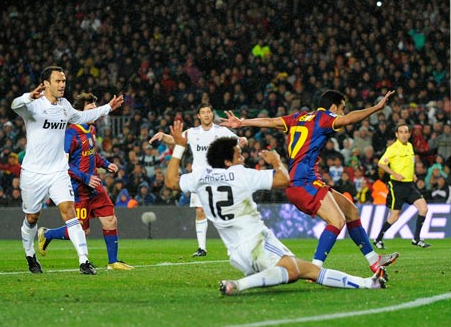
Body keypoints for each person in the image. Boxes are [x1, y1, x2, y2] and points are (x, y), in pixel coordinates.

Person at [163, 122, 388, 295]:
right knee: (294, 271)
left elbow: (171, 182)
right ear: (227, 162)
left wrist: (179, 149)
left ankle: (369, 283)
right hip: (258, 242)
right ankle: (237, 285)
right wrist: (276, 161)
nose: (242, 158)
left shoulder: (200, 177)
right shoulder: (241, 174)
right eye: (238, 155)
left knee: (308, 270)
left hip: (236, 254)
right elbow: (284, 180)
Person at [222, 90, 399, 273]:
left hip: (304, 181)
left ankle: (373, 260)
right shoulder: (323, 118)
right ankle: (315, 269)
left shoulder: (299, 117)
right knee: (337, 221)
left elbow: (271, 121)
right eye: (342, 109)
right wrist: (376, 108)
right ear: (333, 107)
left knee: (350, 211)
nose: (343, 113)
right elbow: (349, 119)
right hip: (304, 182)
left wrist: (242, 122)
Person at [11, 66, 124, 274]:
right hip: (33, 173)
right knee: (32, 218)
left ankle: (84, 261)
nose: (62, 85)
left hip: (58, 172)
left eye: (63, 81)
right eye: (57, 81)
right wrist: (28, 96)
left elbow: (82, 117)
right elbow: (14, 105)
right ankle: (30, 256)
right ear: (46, 84)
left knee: (70, 213)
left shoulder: (64, 106)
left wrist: (108, 107)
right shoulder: (33, 106)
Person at [37, 93, 133, 271]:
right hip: (78, 190)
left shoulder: (91, 130)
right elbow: (62, 164)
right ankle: (48, 234)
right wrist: (86, 178)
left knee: (110, 220)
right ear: (79, 113)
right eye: (90, 110)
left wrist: (106, 164)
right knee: (82, 231)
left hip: (95, 188)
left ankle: (113, 261)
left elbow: (91, 155)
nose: (94, 113)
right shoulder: (70, 134)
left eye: (95, 109)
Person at [150, 103, 246, 257]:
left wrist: (243, 140)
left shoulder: (221, 131)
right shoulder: (193, 133)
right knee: (200, 211)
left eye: (209, 112)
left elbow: (239, 140)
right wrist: (163, 136)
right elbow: (176, 140)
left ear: (211, 115)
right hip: (199, 178)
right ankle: (202, 248)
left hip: (218, 176)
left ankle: (239, 243)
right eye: (203, 112)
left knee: (226, 211)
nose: (206, 115)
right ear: (198, 116)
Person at [373, 123, 432, 249]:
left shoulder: (410, 146)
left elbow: (409, 163)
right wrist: (395, 174)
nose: (404, 135)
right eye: (401, 132)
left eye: (406, 132)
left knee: (424, 209)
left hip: (410, 185)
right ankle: (378, 239)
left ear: (409, 134)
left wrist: (413, 174)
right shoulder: (393, 148)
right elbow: (381, 164)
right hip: (397, 186)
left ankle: (416, 239)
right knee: (394, 217)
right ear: (396, 134)